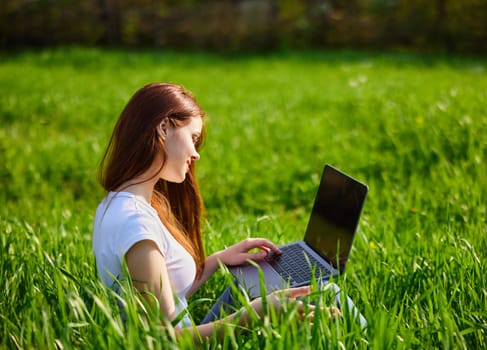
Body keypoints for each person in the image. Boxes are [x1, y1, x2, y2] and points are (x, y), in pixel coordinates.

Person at [92, 82, 335, 342]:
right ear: (164, 128)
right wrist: (253, 314)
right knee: (321, 287)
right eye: (193, 138)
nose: (196, 154)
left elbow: (168, 299)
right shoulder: (136, 224)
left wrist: (217, 261)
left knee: (306, 283)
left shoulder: (117, 204)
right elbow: (164, 340)